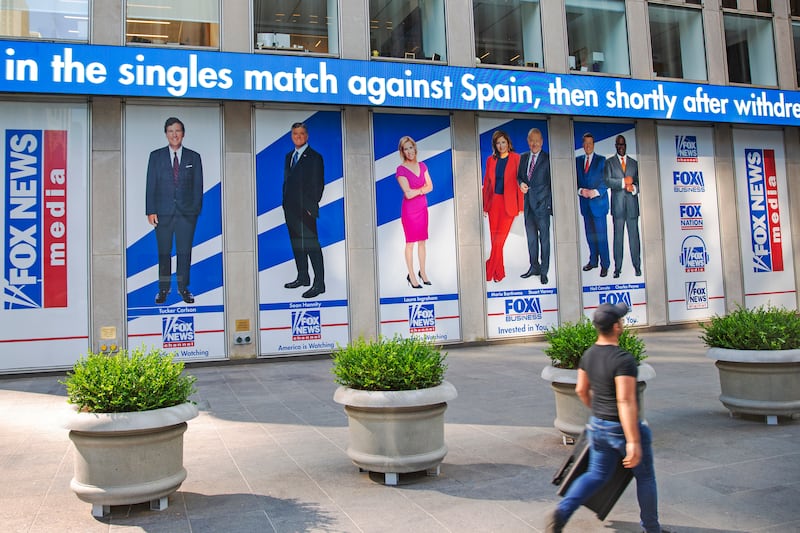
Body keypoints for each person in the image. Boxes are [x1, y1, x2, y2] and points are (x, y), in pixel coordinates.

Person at [546, 302, 664, 533]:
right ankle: (652, 528)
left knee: (595, 475)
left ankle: (562, 511)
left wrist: (598, 412)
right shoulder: (623, 359)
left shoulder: (589, 355)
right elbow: (625, 401)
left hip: (598, 426)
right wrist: (632, 441)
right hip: (622, 428)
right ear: (617, 326)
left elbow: (581, 389)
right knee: (646, 477)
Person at [146, 117, 203, 305]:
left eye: (177, 131)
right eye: (170, 131)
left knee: (184, 252)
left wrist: (195, 210)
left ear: (183, 134)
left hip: (187, 214)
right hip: (162, 213)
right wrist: (151, 210)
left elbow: (198, 186)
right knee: (164, 252)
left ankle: (183, 288)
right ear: (166, 134)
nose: (174, 135)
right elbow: (150, 184)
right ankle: (163, 289)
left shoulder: (194, 157)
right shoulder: (156, 156)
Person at [283, 121, 326, 299]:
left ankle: (319, 283)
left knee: (311, 245)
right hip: (290, 207)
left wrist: (311, 206)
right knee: (297, 244)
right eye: (295, 134)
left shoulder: (315, 157)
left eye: (301, 134)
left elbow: (318, 184)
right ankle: (303, 276)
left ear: (306, 136)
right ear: (292, 136)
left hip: (306, 209)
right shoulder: (289, 156)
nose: (298, 137)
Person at [482, 130, 523, 283]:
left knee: (500, 240)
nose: (501, 145)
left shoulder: (516, 158)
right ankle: (499, 273)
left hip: (509, 204)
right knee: (495, 240)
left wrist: (521, 206)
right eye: (498, 143)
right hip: (494, 203)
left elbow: (520, 182)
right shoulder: (490, 160)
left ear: (508, 143)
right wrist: (485, 206)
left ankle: (489, 268)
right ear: (495, 145)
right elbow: (487, 183)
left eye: (503, 142)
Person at [396, 136, 433, 289]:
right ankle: (411, 275)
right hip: (410, 212)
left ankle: (422, 272)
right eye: (406, 149)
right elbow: (408, 194)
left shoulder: (423, 166)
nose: (409, 151)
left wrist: (417, 191)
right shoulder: (401, 170)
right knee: (410, 243)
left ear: (415, 148)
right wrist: (422, 190)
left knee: (422, 242)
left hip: (422, 208)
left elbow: (431, 186)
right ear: (402, 152)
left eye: (411, 147)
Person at [517, 128, 552, 285]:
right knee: (531, 239)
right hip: (528, 206)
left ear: (542, 142)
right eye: (531, 140)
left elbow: (551, 183)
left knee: (544, 240)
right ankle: (534, 267)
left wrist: (549, 206)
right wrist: (521, 184)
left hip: (542, 206)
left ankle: (544, 272)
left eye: (537, 141)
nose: (534, 143)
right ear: (528, 141)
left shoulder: (548, 159)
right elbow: (519, 177)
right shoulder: (523, 157)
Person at [604, 134, 641, 278]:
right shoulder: (610, 163)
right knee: (618, 239)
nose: (621, 147)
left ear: (626, 146)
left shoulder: (634, 163)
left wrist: (635, 188)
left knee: (634, 238)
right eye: (618, 145)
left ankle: (637, 267)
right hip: (618, 207)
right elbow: (607, 181)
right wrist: (623, 182)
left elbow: (639, 182)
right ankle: (617, 268)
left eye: (623, 145)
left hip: (632, 207)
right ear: (615, 146)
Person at [576, 132, 610, 277]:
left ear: (593, 144)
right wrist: (580, 190)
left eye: (590, 143)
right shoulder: (577, 161)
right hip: (585, 206)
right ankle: (593, 261)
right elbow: (575, 180)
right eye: (585, 143)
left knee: (601, 236)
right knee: (590, 235)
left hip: (599, 205)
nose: (588, 146)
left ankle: (605, 265)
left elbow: (607, 181)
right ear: (583, 145)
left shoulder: (602, 160)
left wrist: (595, 192)